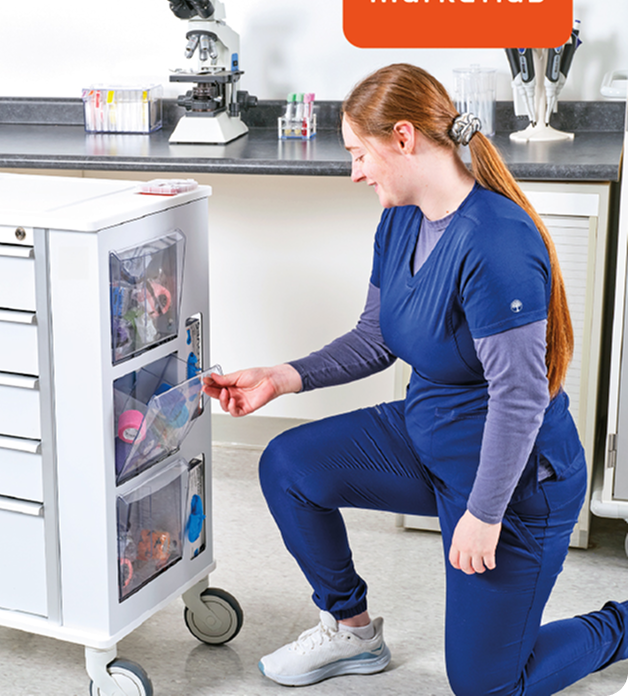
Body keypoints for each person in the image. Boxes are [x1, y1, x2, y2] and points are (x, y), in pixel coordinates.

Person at [204, 64, 628, 695]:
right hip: (426, 438)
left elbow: (518, 398)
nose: (355, 173)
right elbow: (377, 337)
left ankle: (619, 625)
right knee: (289, 464)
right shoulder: (401, 217)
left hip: (511, 484)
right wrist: (281, 376)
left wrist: (483, 514)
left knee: (486, 686)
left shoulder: (496, 243)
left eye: (358, 153)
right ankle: (352, 630)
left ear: (403, 137)